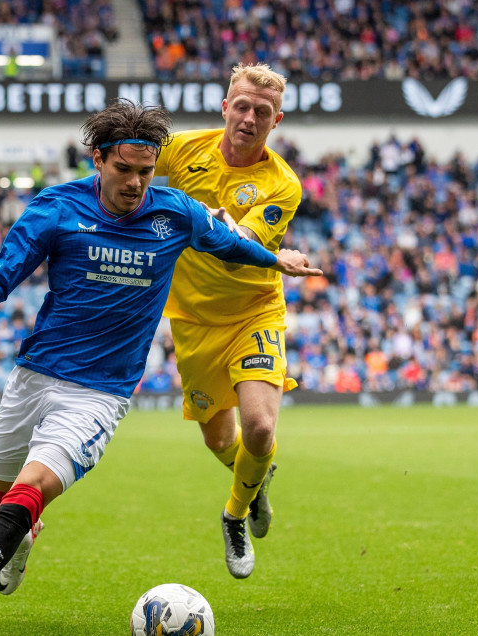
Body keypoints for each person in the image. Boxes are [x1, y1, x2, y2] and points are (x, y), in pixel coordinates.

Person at [0, 99, 321, 636]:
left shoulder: (175, 213)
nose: (137, 183)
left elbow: (231, 245)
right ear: (98, 159)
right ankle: (19, 539)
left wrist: (278, 260)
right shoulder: (55, 208)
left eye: (146, 171)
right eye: (125, 170)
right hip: (35, 375)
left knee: (25, 497)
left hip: (99, 395)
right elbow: (4, 270)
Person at [153, 63, 300, 579]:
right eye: (242, 106)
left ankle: (235, 514)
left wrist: (222, 228)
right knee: (220, 441)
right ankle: (255, 482)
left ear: (275, 121)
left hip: (254, 310)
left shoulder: (282, 185)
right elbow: (131, 168)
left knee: (259, 426)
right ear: (225, 108)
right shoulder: (184, 150)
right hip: (192, 320)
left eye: (262, 111)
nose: (249, 117)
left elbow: (245, 249)